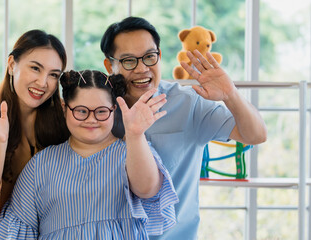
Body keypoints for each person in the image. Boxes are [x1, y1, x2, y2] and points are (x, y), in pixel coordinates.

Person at [100, 17, 267, 240]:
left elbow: (256, 135)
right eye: (129, 61)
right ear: (109, 65)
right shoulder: (97, 110)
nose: (142, 69)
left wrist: (230, 94)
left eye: (150, 57)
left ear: (159, 56)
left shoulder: (189, 103)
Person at [0, 70, 179, 239]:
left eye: (101, 112)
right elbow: (17, 231)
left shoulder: (133, 150)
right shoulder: (40, 165)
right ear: (64, 107)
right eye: (81, 111)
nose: (91, 120)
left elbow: (147, 190)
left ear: (114, 110)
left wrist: (135, 134)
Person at [0, 29, 70, 240]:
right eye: (35, 68)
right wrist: (0, 142)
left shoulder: (67, 118)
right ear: (12, 65)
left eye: (53, 75)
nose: (42, 83)